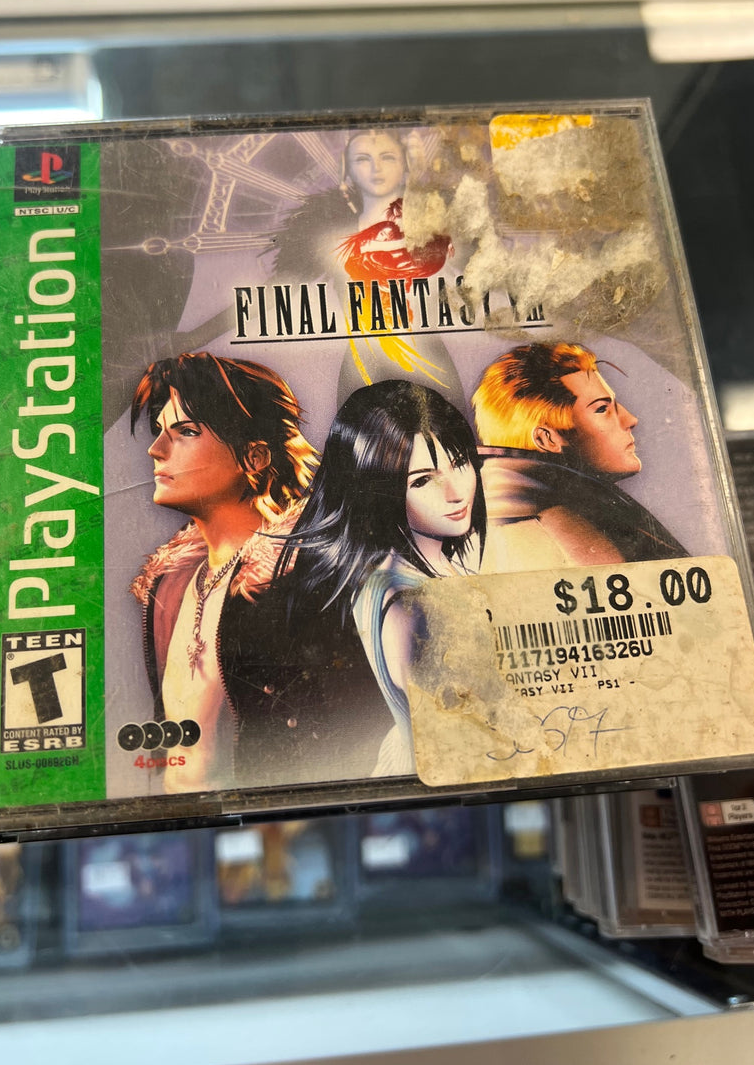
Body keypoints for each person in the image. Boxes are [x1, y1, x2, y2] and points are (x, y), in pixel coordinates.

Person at [129, 352, 323, 792]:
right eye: (159, 430)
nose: (156, 449)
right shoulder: (169, 586)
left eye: (186, 432)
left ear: (254, 457)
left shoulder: (302, 584)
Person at [277, 380, 486, 776]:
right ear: (378, 493)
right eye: (422, 480)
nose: (456, 492)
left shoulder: (390, 576)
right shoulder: (414, 603)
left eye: (459, 462)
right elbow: (460, 740)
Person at [272, 128, 463, 407]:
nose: (376, 168)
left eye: (387, 157)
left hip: (431, 364)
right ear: (346, 169)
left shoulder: (438, 224)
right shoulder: (326, 234)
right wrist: (202, 335)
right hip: (364, 369)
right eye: (363, 159)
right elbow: (270, 294)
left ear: (405, 163)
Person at [471, 341, 686, 571]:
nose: (631, 419)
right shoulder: (565, 527)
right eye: (602, 409)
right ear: (547, 439)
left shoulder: (511, 515)